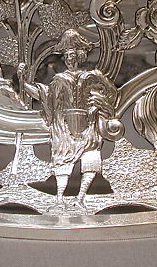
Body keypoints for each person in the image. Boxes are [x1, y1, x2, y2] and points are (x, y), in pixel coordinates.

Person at [23, 29, 124, 208]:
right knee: (63, 160)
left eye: (73, 56)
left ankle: (80, 198)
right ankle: (59, 199)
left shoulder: (92, 76)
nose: (70, 60)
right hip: (65, 128)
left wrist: (98, 104)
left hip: (89, 127)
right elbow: (46, 96)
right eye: (67, 56)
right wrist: (23, 81)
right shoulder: (59, 79)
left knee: (91, 160)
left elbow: (111, 93)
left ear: (80, 57)